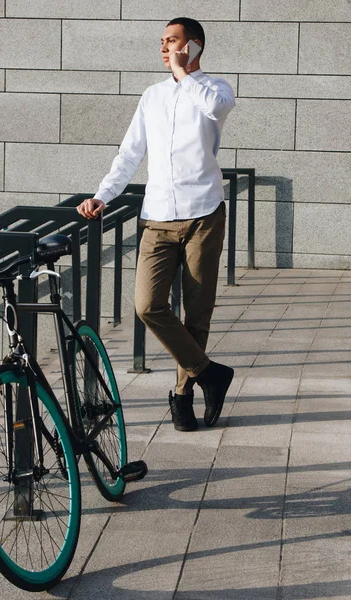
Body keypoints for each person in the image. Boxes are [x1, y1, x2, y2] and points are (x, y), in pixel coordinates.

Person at [77, 17, 235, 432]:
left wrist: (185, 72)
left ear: (194, 45)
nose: (164, 48)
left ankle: (182, 395)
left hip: (204, 214)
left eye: (173, 40)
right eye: (163, 42)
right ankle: (211, 374)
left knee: (198, 313)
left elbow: (214, 110)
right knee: (148, 305)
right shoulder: (152, 96)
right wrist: (102, 195)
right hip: (159, 218)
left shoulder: (216, 88)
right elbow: (130, 153)